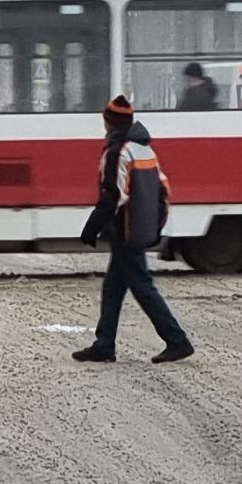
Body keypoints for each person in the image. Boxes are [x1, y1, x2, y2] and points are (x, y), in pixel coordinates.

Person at [76, 95, 193, 365]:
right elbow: (163, 189)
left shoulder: (118, 151)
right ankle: (104, 344)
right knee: (114, 286)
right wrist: (155, 223)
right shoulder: (145, 149)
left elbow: (113, 195)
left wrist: (91, 227)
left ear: (109, 122)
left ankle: (177, 340)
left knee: (141, 285)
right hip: (138, 227)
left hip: (125, 229)